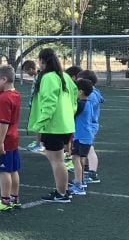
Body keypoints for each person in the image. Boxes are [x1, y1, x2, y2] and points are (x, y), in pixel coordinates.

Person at [28, 48, 78, 202]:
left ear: (42, 61)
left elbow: (49, 103)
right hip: (65, 124)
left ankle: (61, 193)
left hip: (53, 126)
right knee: (59, 159)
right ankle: (63, 190)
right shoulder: (64, 76)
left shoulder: (49, 77)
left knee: (57, 161)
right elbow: (75, 93)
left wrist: (39, 123)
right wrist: (70, 112)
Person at [0, 65, 22, 212]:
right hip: (13, 138)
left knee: (4, 171)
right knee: (13, 169)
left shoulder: (5, 98)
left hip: (3, 139)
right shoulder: (14, 94)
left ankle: (4, 200)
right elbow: (0, 112)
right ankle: (14, 198)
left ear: (4, 79)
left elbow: (3, 122)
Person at [69, 78, 98, 196]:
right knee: (81, 159)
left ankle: (78, 185)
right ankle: (80, 181)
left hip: (80, 136)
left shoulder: (80, 104)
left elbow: (70, 114)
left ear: (80, 92)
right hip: (87, 136)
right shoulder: (89, 103)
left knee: (75, 159)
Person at [76, 69, 103, 183]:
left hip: (89, 125)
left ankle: (93, 173)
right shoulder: (94, 93)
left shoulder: (90, 96)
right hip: (90, 124)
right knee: (85, 148)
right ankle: (86, 167)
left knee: (89, 148)